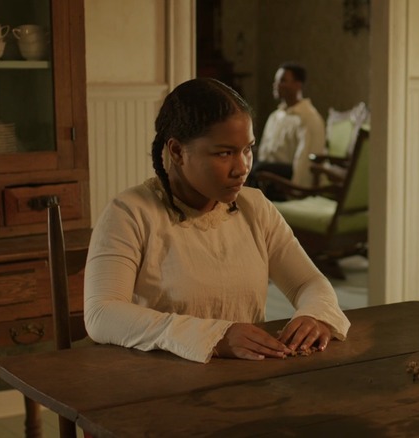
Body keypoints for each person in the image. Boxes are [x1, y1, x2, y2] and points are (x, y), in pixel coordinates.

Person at [84, 78, 350, 363]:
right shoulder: (130, 213)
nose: (242, 168)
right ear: (176, 151)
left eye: (247, 149)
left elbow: (307, 282)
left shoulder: (255, 207)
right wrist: (215, 336)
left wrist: (314, 315)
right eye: (224, 153)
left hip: (244, 381)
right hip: (156, 385)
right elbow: (103, 313)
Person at [249, 62, 326, 200]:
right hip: (267, 170)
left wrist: (296, 192)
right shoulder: (275, 116)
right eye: (276, 81)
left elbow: (305, 161)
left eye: (282, 80)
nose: (276, 85)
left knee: (257, 169)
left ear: (298, 85)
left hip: (287, 176)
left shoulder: (308, 118)